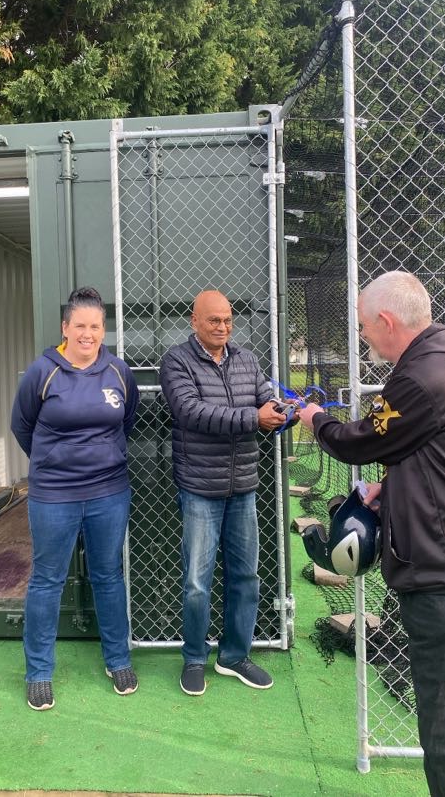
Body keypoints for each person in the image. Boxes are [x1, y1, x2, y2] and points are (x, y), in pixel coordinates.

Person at [298, 271, 445, 797]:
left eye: (363, 327)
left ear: (386, 321)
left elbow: (358, 440)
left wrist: (316, 419)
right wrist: (395, 484)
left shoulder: (421, 377)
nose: (363, 337)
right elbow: (437, 451)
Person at [11, 286, 140, 709]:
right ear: (65, 328)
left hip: (109, 493)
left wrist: (102, 458)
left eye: (96, 326)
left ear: (104, 330)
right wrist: (54, 463)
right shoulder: (42, 372)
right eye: (80, 326)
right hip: (54, 496)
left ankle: (118, 660)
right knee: (47, 581)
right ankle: (38, 672)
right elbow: (22, 426)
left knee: (108, 576)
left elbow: (127, 421)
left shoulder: (118, 372)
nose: (88, 334)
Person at [159, 289, 288, 696]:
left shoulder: (247, 359)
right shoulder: (177, 361)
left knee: (246, 576)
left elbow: (265, 398)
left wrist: (281, 411)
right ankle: (194, 658)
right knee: (198, 582)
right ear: (195, 321)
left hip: (243, 486)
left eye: (228, 320)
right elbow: (191, 412)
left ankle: (233, 656)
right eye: (214, 320)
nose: (223, 327)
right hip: (200, 487)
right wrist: (254, 417)